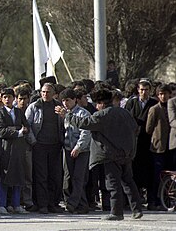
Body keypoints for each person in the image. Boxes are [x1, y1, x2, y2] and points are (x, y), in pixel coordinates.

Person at [56, 88, 143, 221]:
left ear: (102, 103)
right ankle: (136, 209)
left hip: (110, 154)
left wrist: (67, 115)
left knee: (112, 184)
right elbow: (135, 129)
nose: (96, 106)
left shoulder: (102, 115)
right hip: (127, 153)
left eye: (97, 103)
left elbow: (85, 123)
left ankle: (116, 212)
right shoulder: (124, 112)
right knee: (128, 182)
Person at [25, 83, 65, 214]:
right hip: (39, 145)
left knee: (55, 176)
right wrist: (33, 141)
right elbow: (27, 125)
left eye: (48, 92)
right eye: (43, 92)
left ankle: (53, 203)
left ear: (54, 93)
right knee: (41, 176)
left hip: (55, 145)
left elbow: (65, 124)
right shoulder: (34, 107)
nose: (45, 94)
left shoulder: (58, 106)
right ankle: (42, 204)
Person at [0, 88, 28, 214]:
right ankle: (1, 204)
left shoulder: (19, 112)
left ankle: (16, 204)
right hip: (6, 149)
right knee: (5, 176)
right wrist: (17, 131)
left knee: (18, 176)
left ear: (14, 98)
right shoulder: (0, 113)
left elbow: (26, 127)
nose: (7, 99)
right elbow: (1, 131)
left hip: (19, 149)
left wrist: (15, 129)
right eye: (5, 97)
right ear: (1, 99)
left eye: (9, 97)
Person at [125, 79, 158, 209]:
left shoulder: (153, 103)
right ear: (138, 90)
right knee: (133, 172)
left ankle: (151, 201)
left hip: (149, 142)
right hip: (134, 142)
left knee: (149, 172)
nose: (143, 92)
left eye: (146, 90)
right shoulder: (132, 103)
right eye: (141, 89)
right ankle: (135, 201)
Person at [58, 89, 91, 214]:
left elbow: (86, 133)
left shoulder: (83, 113)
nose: (65, 103)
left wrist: (78, 147)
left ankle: (74, 204)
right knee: (68, 178)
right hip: (67, 149)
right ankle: (77, 203)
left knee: (78, 178)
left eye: (68, 100)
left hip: (82, 150)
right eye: (63, 101)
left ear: (75, 100)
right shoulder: (63, 114)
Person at [146, 84, 172, 211]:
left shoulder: (172, 108)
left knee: (170, 175)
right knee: (156, 175)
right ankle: (153, 201)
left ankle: (167, 200)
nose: (164, 96)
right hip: (158, 147)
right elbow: (148, 128)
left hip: (171, 146)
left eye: (165, 94)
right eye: (161, 94)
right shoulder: (154, 109)